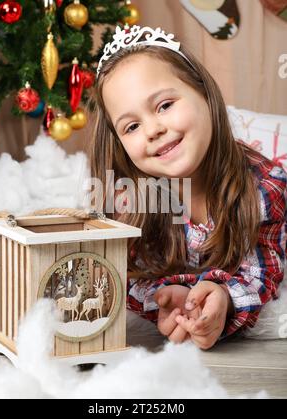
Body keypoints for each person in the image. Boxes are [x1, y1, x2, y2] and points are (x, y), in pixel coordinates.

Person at [90, 25, 287, 350]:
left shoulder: (262, 188)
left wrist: (223, 297)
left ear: (205, 96)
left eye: (165, 105)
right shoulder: (132, 201)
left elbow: (260, 274)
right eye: (132, 126)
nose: (153, 129)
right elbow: (122, 275)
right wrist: (168, 296)